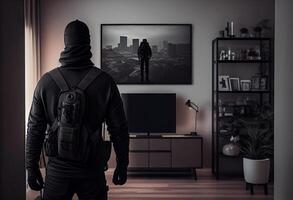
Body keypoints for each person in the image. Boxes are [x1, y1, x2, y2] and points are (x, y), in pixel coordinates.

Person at [25, 20, 129, 200]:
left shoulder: (46, 82)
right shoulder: (105, 82)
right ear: (88, 43)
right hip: (91, 171)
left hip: (57, 172)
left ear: (65, 43)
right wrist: (122, 164)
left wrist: (31, 167)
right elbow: (119, 129)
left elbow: (35, 129)